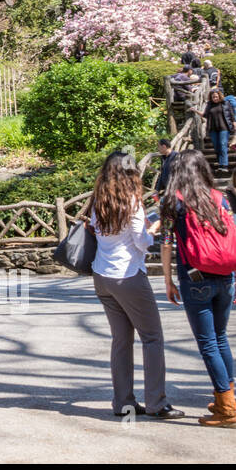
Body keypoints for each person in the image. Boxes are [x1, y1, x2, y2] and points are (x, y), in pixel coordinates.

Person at [88, 150, 183, 419]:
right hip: (128, 275)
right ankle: (157, 402)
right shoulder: (132, 202)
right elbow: (141, 242)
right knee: (152, 337)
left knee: (121, 340)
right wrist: (152, 232)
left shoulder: (99, 201)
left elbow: (98, 233)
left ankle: (123, 402)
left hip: (102, 275)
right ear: (131, 173)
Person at [161, 149, 236, 427]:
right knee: (220, 337)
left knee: (208, 342)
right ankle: (224, 398)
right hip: (226, 274)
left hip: (195, 277)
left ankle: (227, 409)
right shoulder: (222, 198)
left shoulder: (173, 201)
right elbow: (232, 237)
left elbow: (166, 242)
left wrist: (168, 280)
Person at [204, 89, 236, 170]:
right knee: (217, 147)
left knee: (223, 145)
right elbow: (205, 115)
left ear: (219, 96)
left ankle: (224, 165)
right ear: (211, 98)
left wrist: (234, 123)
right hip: (213, 129)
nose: (215, 98)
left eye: (216, 96)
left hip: (224, 127)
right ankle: (220, 163)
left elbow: (231, 114)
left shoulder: (225, 103)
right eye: (213, 97)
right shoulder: (209, 105)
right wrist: (195, 111)